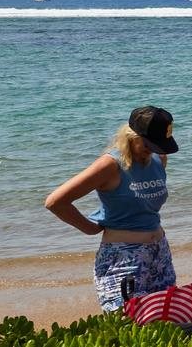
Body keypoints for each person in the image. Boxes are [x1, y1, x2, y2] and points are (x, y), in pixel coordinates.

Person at [44, 105, 179, 313]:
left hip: (159, 254)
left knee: (168, 322)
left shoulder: (158, 158)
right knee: (127, 324)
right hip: (123, 258)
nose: (152, 149)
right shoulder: (110, 165)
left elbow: (146, 207)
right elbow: (56, 202)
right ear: (131, 135)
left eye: (159, 145)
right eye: (148, 143)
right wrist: (89, 228)